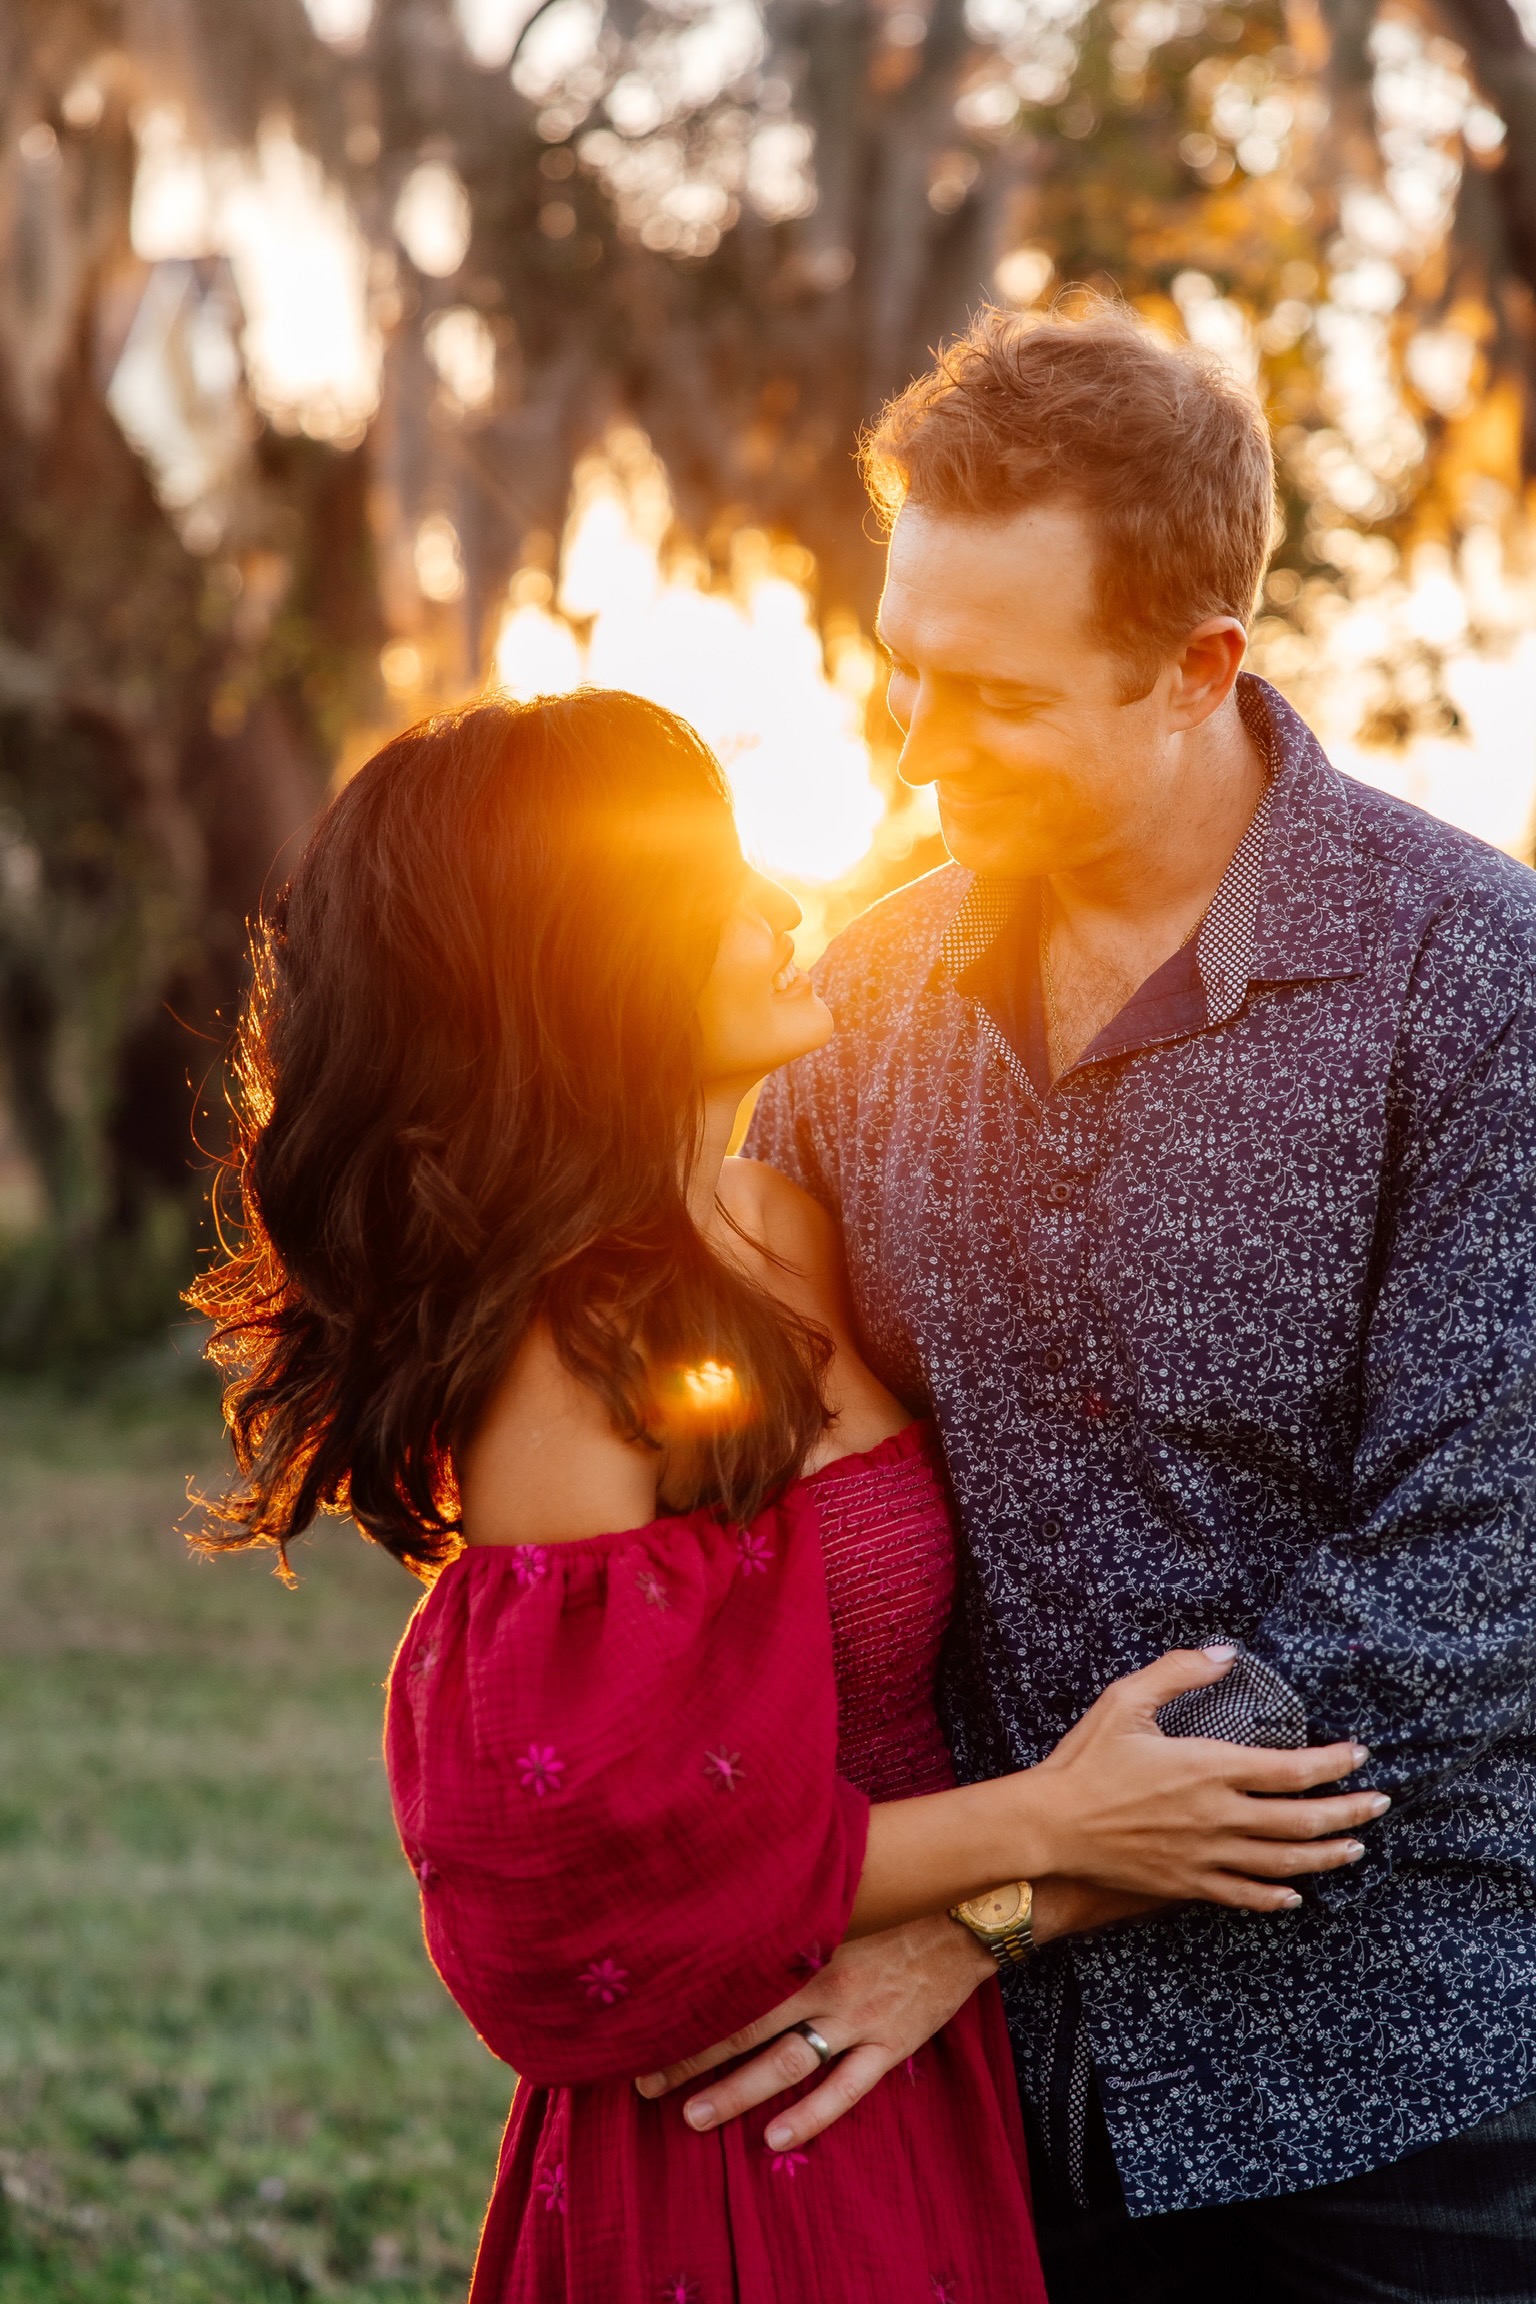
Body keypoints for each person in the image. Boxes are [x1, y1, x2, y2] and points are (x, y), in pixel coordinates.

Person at [187, 690, 1382, 2303]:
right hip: (748, 2115)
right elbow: (594, 1862)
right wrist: (1054, 1823)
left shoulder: (781, 1223)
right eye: (708, 889)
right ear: (578, 961)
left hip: (923, 2063)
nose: (780, 907)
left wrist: (1025, 1894)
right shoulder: (566, 1353)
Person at [671, 306, 1536, 2299]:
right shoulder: (856, 1009)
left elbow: (1475, 1572)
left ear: (1195, 669)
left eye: (989, 698)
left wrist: (1004, 1900)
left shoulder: (1475, 987)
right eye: (903, 675)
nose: (914, 747)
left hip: (1386, 2096)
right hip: (959, 2101)